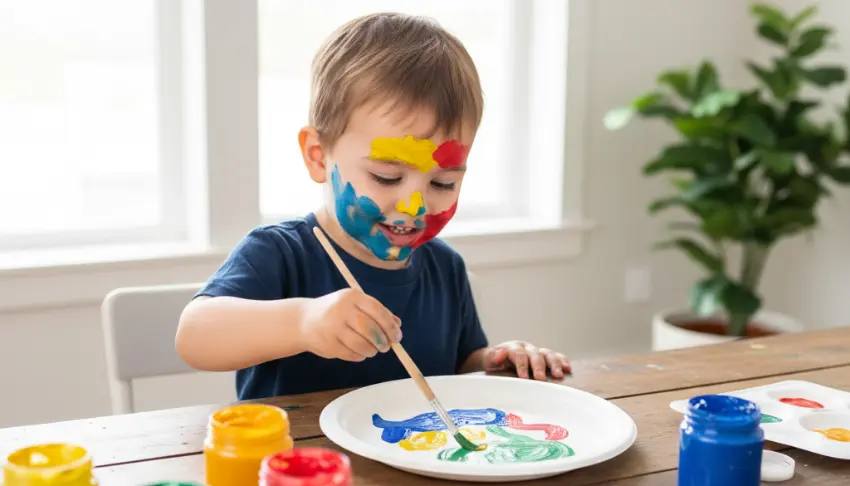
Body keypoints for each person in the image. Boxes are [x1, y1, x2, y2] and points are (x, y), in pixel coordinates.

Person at [175, 12, 572, 400]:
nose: (415, 205)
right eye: (386, 177)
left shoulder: (445, 268)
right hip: (305, 464)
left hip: (414, 461)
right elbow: (194, 336)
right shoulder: (280, 254)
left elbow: (460, 366)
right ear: (318, 156)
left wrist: (496, 364)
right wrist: (303, 321)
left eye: (443, 182)